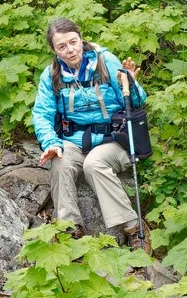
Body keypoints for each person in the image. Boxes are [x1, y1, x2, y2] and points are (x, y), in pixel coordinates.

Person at [30, 18, 148, 248]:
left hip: (115, 138)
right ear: (54, 50)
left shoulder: (105, 62)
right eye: (61, 46)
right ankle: (70, 230)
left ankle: (133, 228)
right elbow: (42, 114)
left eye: (73, 42)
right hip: (74, 140)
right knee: (60, 163)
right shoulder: (52, 74)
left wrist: (130, 84)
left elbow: (136, 102)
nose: (69, 49)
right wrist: (52, 143)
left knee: (93, 164)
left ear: (81, 39)